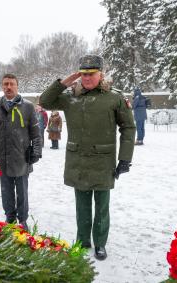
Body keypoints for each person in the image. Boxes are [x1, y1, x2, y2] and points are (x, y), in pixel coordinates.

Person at [39, 54, 136, 260]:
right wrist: (64, 82)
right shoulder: (71, 96)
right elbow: (45, 101)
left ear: (101, 74)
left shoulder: (115, 98)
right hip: (79, 160)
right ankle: (83, 240)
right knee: (82, 205)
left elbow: (128, 127)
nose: (87, 78)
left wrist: (125, 158)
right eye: (83, 74)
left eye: (91, 74)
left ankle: (100, 243)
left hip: (103, 160)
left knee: (101, 207)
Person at [0, 73, 42, 231]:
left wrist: (36, 152)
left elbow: (36, 134)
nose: (8, 87)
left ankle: (22, 219)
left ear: (17, 86)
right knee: (6, 191)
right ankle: (9, 217)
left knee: (22, 192)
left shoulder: (28, 107)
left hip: (22, 158)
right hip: (3, 159)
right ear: (2, 86)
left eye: (11, 84)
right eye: (5, 84)